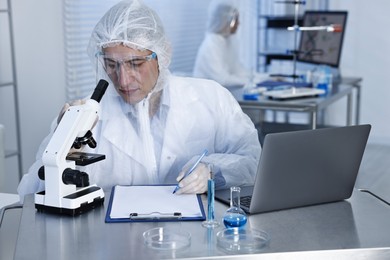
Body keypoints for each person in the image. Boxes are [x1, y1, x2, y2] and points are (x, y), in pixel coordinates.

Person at [17, 0, 261, 201]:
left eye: (135, 63)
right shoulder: (83, 117)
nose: (123, 79)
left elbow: (253, 158)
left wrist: (213, 171)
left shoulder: (211, 97)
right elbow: (27, 194)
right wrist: (63, 148)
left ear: (163, 54)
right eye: (111, 64)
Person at [193, 2, 267, 89]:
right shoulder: (211, 45)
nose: (238, 24)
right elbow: (223, 80)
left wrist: (265, 78)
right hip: (207, 95)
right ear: (226, 21)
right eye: (236, 20)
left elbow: (238, 71)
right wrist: (253, 82)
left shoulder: (227, 41)